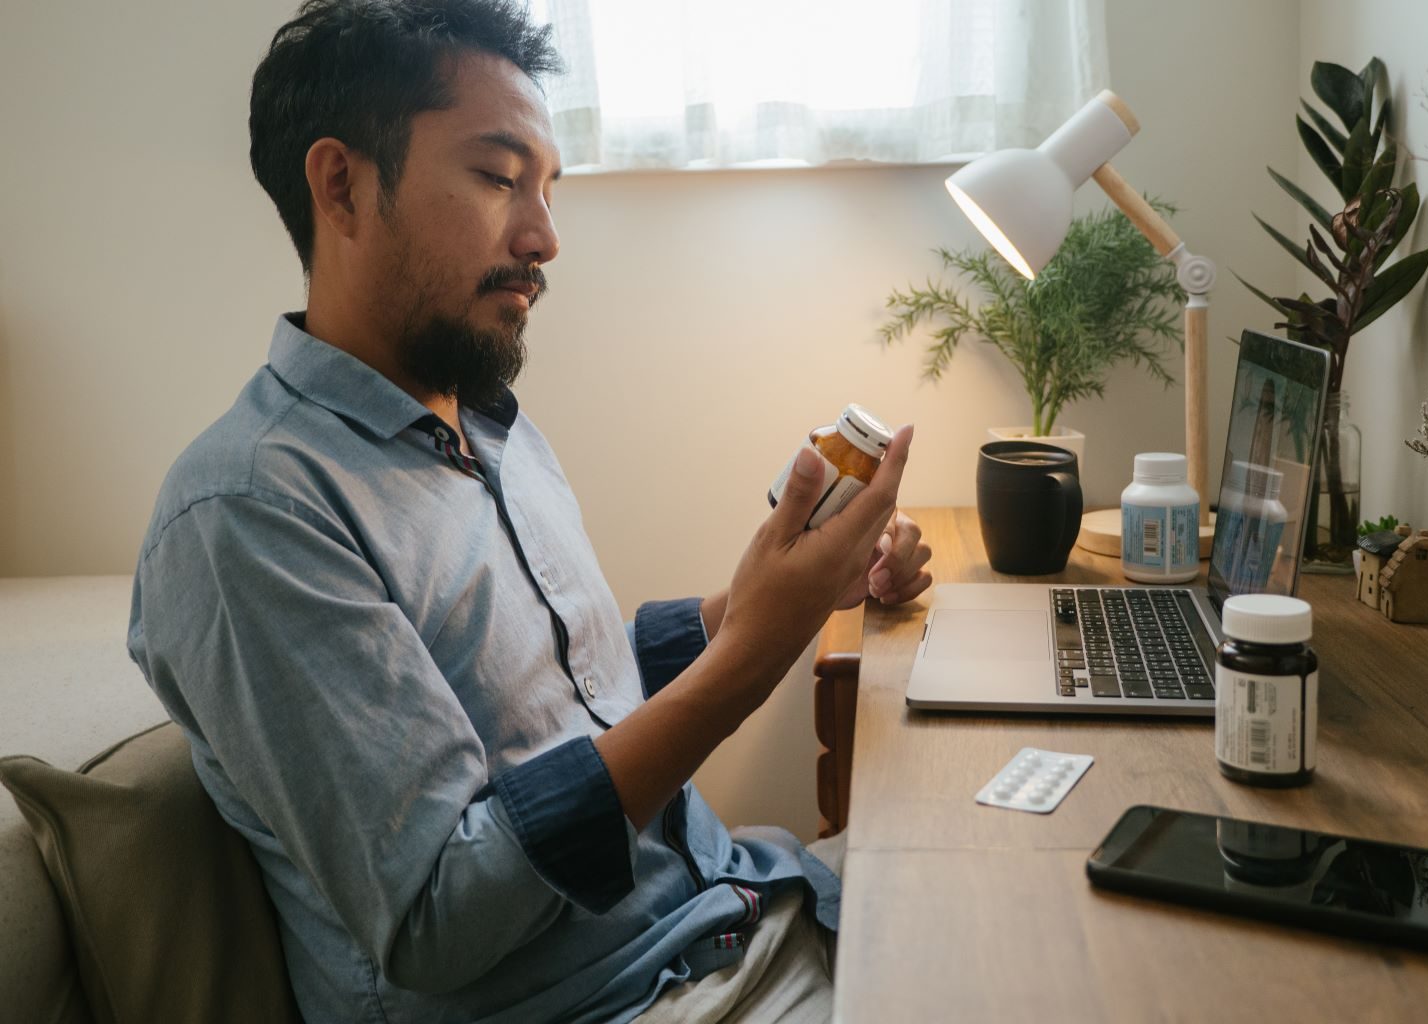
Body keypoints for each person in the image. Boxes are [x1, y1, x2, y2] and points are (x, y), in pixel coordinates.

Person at [126, 1, 932, 1021]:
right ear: (340, 184)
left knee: (1030, 866)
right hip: (632, 999)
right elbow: (440, 914)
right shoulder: (249, 515)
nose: (544, 236)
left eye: (547, 188)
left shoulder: (488, 427)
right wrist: (749, 661)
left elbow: (576, 700)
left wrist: (786, 591)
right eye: (500, 178)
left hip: (741, 907)